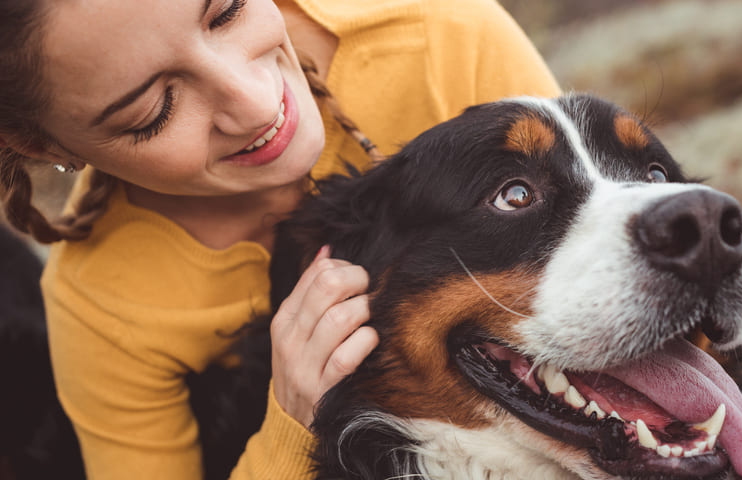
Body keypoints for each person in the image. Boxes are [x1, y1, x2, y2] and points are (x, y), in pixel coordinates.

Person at [0, 0, 561, 478]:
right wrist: (291, 424)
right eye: (155, 110)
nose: (255, 102)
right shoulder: (100, 304)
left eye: (228, 11)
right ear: (45, 147)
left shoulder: (442, 38)